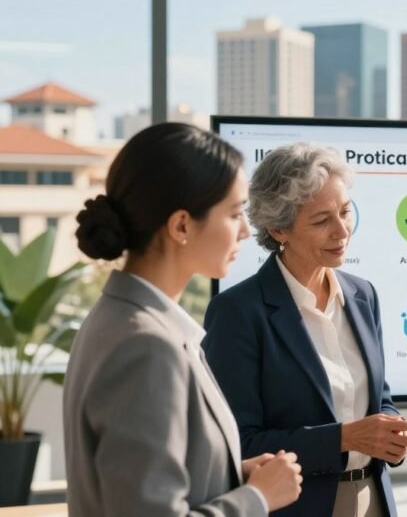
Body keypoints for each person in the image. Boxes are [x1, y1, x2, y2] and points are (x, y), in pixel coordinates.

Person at [65, 123, 303, 517]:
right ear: (181, 226)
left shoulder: (121, 316)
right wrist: (257, 498)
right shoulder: (146, 346)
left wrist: (231, 476)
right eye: (234, 214)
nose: (246, 231)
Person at [203, 143, 407, 517]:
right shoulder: (238, 312)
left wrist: (392, 433)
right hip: (296, 507)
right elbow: (238, 442)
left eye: (345, 212)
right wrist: (346, 437)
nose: (342, 231)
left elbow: (378, 397)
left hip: (375, 498)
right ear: (278, 229)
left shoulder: (362, 295)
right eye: (322, 221)